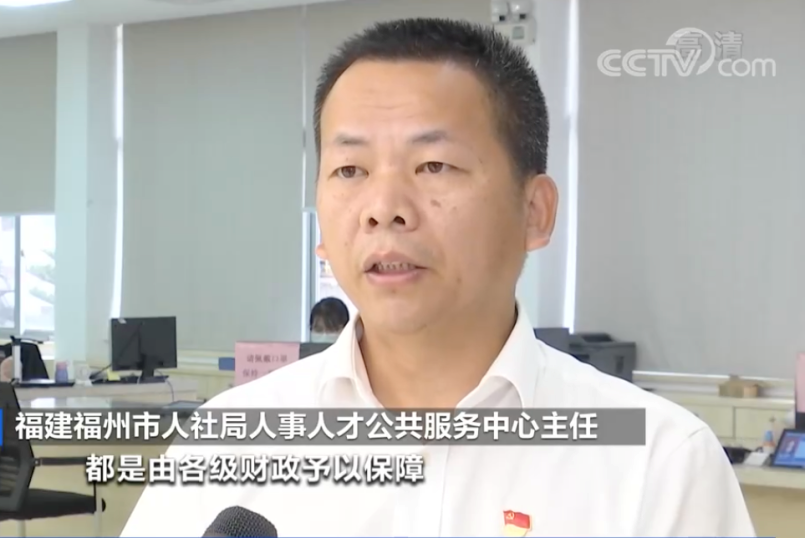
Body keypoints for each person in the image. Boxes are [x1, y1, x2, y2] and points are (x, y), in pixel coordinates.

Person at [122, 18, 753, 537]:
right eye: (350, 170)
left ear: (535, 212)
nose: (383, 207)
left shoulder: (658, 462)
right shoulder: (229, 443)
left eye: (434, 165)